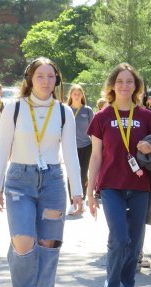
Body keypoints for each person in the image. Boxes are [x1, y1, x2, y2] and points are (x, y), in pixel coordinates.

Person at [0, 57, 82, 287]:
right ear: (30, 79)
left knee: (49, 244)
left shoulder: (64, 112)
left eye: (51, 76)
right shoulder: (14, 109)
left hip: (52, 180)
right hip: (19, 179)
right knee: (23, 240)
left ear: (57, 80)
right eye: (40, 76)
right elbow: (2, 148)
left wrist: (76, 189)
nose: (46, 81)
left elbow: (71, 155)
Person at [85, 63, 151, 287]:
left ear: (136, 86)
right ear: (112, 86)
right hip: (111, 187)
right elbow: (95, 157)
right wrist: (89, 193)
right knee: (119, 238)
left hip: (140, 187)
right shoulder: (102, 117)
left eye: (129, 82)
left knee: (135, 242)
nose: (124, 86)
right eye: (120, 81)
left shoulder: (146, 116)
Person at [66, 84, 94, 215]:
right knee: (71, 173)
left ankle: (81, 201)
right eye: (74, 94)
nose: (77, 96)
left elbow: (94, 131)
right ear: (70, 95)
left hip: (86, 146)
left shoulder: (87, 110)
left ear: (82, 95)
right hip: (70, 146)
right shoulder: (66, 110)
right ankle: (72, 202)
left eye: (79, 94)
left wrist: (96, 148)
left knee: (83, 174)